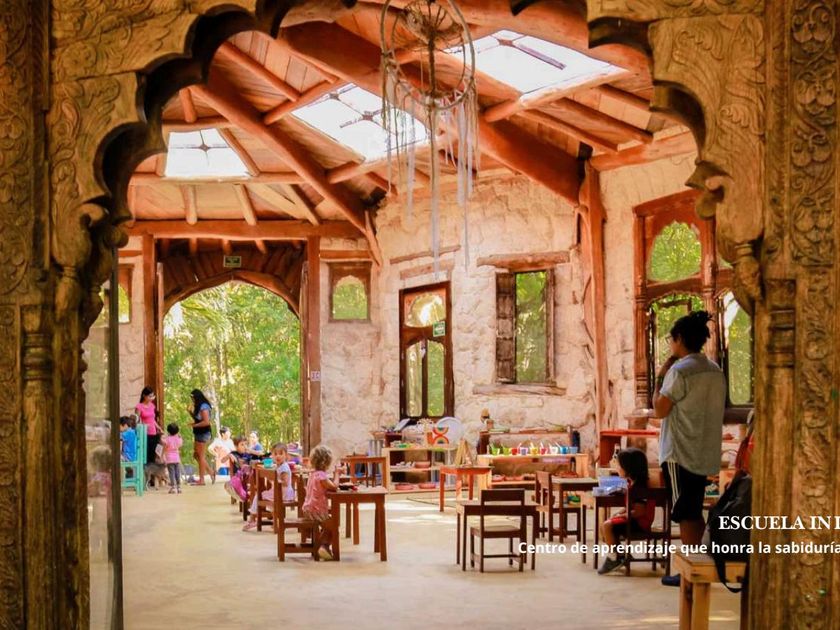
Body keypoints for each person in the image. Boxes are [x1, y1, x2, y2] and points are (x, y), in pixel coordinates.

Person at [651, 310, 726, 587]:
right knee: (693, 509)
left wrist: (660, 377)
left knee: (685, 512)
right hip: (704, 451)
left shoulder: (679, 371)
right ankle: (697, 566)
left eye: (671, 339)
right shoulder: (714, 370)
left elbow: (660, 410)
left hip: (679, 452)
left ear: (680, 339)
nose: (671, 344)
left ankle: (689, 571)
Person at [597, 448, 656, 575]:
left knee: (607, 526)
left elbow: (639, 512)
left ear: (630, 468)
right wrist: (620, 512)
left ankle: (613, 558)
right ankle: (621, 555)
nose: (617, 468)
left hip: (640, 523)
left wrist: (622, 515)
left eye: (619, 465)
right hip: (635, 519)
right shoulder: (633, 482)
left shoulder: (640, 487)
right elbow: (632, 505)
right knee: (605, 526)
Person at [242, 443, 296, 532]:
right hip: (278, 492)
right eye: (275, 454)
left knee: (258, 496)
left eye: (281, 454)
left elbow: (285, 483)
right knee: (270, 501)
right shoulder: (278, 466)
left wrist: (273, 478)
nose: (278, 456)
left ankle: (252, 519)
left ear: (286, 455)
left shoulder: (284, 468)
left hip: (283, 493)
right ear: (272, 456)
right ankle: (276, 523)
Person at [302, 444, 339, 560]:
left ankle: (323, 546)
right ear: (326, 462)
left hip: (308, 509)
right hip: (316, 511)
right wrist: (337, 474)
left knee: (330, 525)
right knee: (334, 525)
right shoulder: (321, 476)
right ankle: (323, 546)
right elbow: (334, 487)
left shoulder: (312, 474)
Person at [188, 389, 214, 485]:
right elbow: (198, 419)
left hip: (203, 433)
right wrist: (190, 412)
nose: (193, 400)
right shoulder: (198, 406)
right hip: (198, 432)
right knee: (196, 455)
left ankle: (202, 479)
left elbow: (206, 422)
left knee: (201, 455)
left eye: (193, 398)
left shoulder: (204, 406)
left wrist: (194, 425)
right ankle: (210, 471)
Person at [135, 387, 163, 466]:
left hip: (153, 432)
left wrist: (158, 427)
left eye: (152, 396)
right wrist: (141, 426)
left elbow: (152, 419)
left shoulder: (152, 406)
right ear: (144, 395)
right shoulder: (139, 406)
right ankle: (145, 470)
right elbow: (136, 420)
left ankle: (152, 470)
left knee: (153, 452)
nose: (151, 398)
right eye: (149, 396)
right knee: (146, 452)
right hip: (144, 432)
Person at [161, 423, 183, 494]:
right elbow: (180, 444)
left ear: (168, 431)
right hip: (177, 458)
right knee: (177, 473)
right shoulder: (178, 439)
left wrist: (162, 455)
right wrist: (179, 437)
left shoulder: (167, 439)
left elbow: (163, 442)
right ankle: (179, 487)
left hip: (169, 459)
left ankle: (173, 487)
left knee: (171, 473)